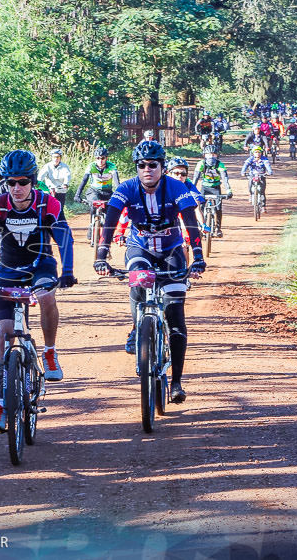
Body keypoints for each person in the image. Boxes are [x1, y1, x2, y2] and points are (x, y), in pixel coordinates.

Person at [0, 150, 75, 433]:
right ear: (5, 184)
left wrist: (68, 270)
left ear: (33, 181)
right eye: (11, 183)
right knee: (2, 335)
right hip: (8, 271)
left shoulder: (48, 203)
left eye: (22, 182)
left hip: (41, 265)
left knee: (46, 295)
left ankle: (49, 351)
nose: (17, 188)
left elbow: (64, 237)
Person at [93, 141, 206, 403]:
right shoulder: (127, 188)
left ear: (162, 167)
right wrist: (101, 255)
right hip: (139, 249)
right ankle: (137, 327)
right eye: (141, 165)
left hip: (172, 252)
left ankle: (176, 382)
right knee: (138, 280)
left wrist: (198, 257)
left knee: (176, 317)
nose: (147, 170)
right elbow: (110, 221)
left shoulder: (176, 188)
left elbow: (190, 222)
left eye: (152, 165)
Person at [74, 147, 120, 241]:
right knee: (94, 204)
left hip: (107, 192)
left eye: (102, 158)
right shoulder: (91, 166)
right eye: (98, 158)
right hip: (94, 191)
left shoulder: (112, 167)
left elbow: (117, 182)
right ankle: (92, 230)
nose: (100, 160)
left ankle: (108, 234)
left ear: (106, 158)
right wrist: (77, 194)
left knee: (110, 212)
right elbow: (84, 181)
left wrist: (119, 195)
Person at [191, 146, 232, 236]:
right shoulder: (201, 164)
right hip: (205, 188)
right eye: (209, 154)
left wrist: (228, 190)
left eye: (213, 155)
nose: (211, 157)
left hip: (216, 188)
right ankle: (200, 226)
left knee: (218, 209)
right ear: (204, 155)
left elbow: (225, 178)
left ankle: (218, 228)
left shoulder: (220, 165)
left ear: (217, 156)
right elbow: (195, 178)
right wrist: (191, 190)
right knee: (199, 207)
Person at [38, 148, 72, 213]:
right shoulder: (47, 166)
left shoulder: (64, 167)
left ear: (60, 158)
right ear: (51, 157)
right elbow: (40, 177)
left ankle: (59, 220)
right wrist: (38, 184)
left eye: (58, 157)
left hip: (60, 190)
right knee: (46, 208)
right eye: (54, 157)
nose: (56, 159)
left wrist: (65, 184)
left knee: (60, 208)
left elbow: (67, 176)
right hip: (49, 190)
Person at [242, 145, 274, 210]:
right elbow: (245, 165)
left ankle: (263, 206)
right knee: (250, 185)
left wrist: (269, 172)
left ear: (261, 153)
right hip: (252, 175)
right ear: (253, 153)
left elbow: (267, 165)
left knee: (262, 191)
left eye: (259, 152)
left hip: (261, 175)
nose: (257, 154)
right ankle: (251, 195)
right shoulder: (250, 159)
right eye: (256, 152)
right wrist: (243, 172)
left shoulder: (264, 159)